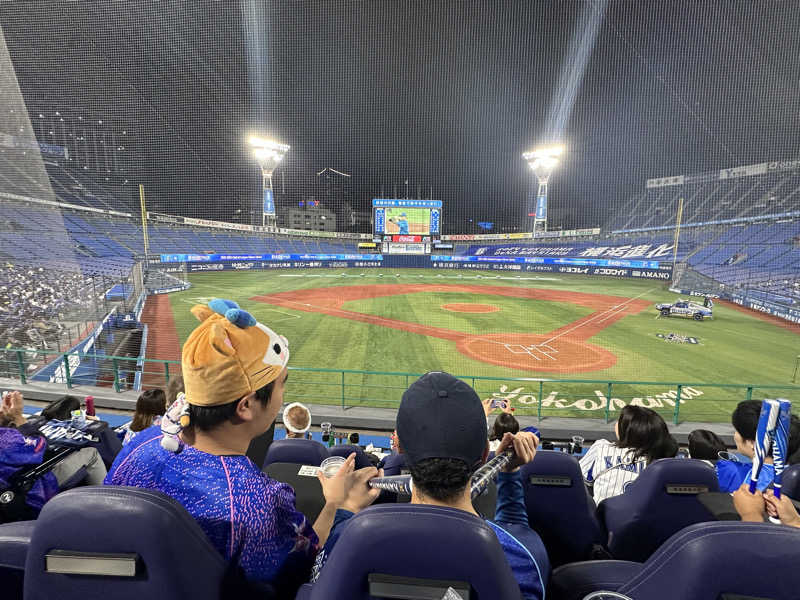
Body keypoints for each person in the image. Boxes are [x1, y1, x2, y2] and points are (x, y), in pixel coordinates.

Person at [105, 299, 379, 594]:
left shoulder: (141, 443)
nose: (281, 397)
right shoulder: (256, 501)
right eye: (281, 384)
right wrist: (340, 504)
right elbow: (306, 569)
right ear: (246, 405)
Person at [311, 372, 549, 600]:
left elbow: (317, 581)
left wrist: (345, 507)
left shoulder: (350, 537)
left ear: (400, 449)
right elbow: (514, 534)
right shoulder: (524, 552)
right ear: (485, 452)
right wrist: (510, 473)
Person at [0, 390, 107, 514]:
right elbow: (40, 446)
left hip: (11, 483)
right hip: (31, 489)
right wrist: (18, 417)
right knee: (91, 453)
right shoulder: (6, 440)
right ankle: (107, 504)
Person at [580, 405, 678, 503]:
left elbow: (580, 483)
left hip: (603, 516)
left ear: (629, 431)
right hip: (644, 517)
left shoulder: (601, 447)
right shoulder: (662, 461)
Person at [716, 400, 800, 493]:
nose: (735, 435)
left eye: (737, 431)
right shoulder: (793, 474)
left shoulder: (745, 479)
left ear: (753, 443)